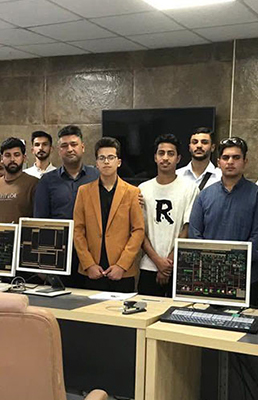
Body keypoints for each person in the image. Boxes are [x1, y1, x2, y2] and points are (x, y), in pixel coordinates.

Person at [189, 137, 258, 304]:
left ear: (245, 162)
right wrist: (214, 264)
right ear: (218, 162)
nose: (230, 162)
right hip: (210, 277)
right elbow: (195, 235)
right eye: (226, 158)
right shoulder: (204, 195)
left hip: (246, 279)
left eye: (236, 157)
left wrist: (230, 264)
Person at [73, 137, 145, 293]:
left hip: (122, 271)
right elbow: (78, 230)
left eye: (111, 157)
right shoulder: (84, 192)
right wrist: (88, 264)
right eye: (102, 158)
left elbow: (138, 231)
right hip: (92, 270)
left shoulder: (132, 192)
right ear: (96, 163)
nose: (106, 162)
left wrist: (122, 265)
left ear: (118, 162)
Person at [138, 134, 199, 297]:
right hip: (149, 265)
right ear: (155, 157)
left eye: (170, 154)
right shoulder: (142, 189)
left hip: (178, 266)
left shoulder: (190, 188)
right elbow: (139, 231)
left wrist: (168, 264)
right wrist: (158, 262)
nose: (165, 158)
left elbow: (187, 229)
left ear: (178, 158)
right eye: (161, 153)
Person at [34, 125, 99, 219]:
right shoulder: (47, 181)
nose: (69, 149)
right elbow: (40, 219)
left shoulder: (96, 176)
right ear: (59, 151)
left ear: (83, 147)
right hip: (58, 229)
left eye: (74, 144)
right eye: (64, 146)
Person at [0, 137, 39, 223]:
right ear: (1, 159)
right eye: (7, 155)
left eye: (16, 155)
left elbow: (38, 219)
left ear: (24, 158)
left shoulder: (34, 184)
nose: (12, 159)